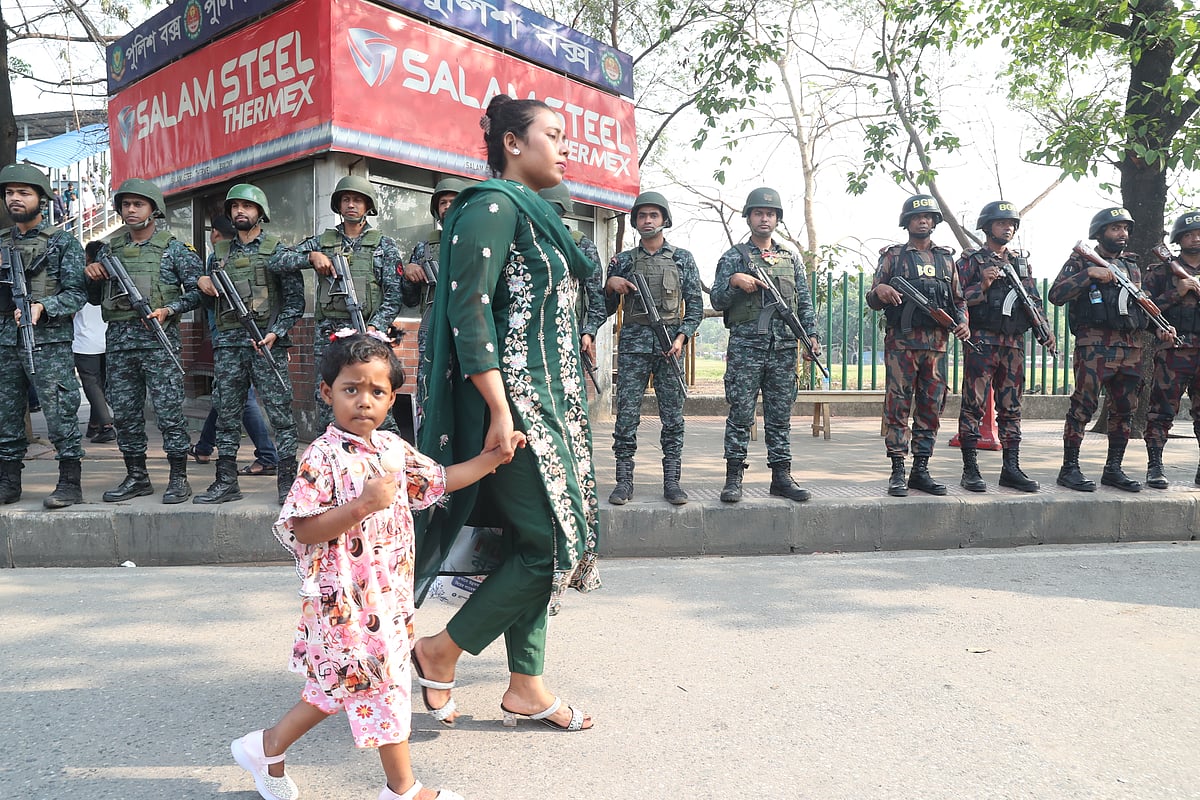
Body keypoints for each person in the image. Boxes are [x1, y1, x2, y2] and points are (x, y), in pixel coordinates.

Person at [236, 332, 513, 800]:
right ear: (327, 393)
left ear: (391, 399)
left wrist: (493, 459)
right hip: (345, 598)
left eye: (377, 391)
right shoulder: (321, 457)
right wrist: (359, 507)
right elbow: (301, 529)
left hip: (388, 595)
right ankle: (403, 789)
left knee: (337, 686)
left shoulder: (392, 449)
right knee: (384, 684)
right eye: (351, 389)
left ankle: (266, 747)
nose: (364, 401)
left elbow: (439, 481)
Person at [412, 94, 600, 733]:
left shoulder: (542, 216)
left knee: (530, 542)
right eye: (554, 133)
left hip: (556, 405)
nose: (565, 146)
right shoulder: (489, 207)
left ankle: (526, 683)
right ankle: (443, 650)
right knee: (550, 546)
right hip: (515, 405)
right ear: (513, 143)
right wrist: (497, 409)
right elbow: (470, 312)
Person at [84, 179, 202, 504]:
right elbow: (96, 300)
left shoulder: (174, 249)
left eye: (138, 204)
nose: (131, 210)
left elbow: (197, 292)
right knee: (124, 414)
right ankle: (137, 477)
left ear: (153, 209)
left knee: (168, 413)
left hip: (159, 345)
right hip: (120, 346)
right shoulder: (110, 251)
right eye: (126, 205)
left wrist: (169, 309)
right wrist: (91, 274)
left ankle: (179, 478)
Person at [194, 183, 304, 505]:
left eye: (248, 206)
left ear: (260, 213)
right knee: (227, 415)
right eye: (235, 206)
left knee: (281, 416)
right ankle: (226, 481)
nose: (240, 211)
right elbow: (207, 296)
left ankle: (288, 483)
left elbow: (295, 303)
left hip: (266, 345)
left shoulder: (277, 251)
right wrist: (201, 282)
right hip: (228, 347)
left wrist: (276, 332)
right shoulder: (219, 255)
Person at [710, 187, 820, 503]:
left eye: (770, 214)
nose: (764, 218)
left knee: (780, 416)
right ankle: (733, 478)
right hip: (746, 348)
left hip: (784, 350)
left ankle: (781, 477)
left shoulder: (790, 258)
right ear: (749, 217)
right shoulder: (734, 258)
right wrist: (735, 283)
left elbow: (803, 301)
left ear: (777, 219)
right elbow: (717, 300)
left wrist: (810, 336)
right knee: (741, 414)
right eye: (758, 213)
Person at [1048, 207, 1164, 493]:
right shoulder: (1080, 261)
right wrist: (1089, 274)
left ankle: (1113, 469)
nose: (1122, 233)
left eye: (1125, 228)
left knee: (1124, 410)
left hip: (1131, 348)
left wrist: (1159, 328)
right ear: (1100, 233)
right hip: (1095, 346)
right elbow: (1056, 295)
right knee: (1083, 407)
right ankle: (1070, 468)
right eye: (1115, 228)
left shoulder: (1132, 266)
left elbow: (1138, 308)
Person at [276, 175, 404, 429]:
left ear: (368, 206)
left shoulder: (383, 246)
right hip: (329, 337)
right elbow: (277, 260)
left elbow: (394, 294)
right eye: (346, 200)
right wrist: (311, 257)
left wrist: (375, 328)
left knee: (377, 411)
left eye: (357, 200)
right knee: (329, 404)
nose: (351, 205)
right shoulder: (322, 242)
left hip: (368, 335)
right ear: (339, 205)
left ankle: (385, 466)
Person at [867, 194, 971, 497]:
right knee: (897, 405)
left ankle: (921, 469)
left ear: (935, 222)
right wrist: (881, 290)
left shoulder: (946, 259)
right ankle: (897, 469)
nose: (923, 220)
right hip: (902, 344)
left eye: (928, 216)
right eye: (917, 217)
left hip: (936, 347)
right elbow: (872, 297)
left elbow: (958, 299)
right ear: (907, 222)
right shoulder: (893, 257)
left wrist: (962, 321)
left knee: (931, 407)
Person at [603, 190, 702, 505]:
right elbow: (603, 306)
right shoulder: (623, 261)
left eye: (654, 215)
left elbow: (696, 308)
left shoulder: (682, 258)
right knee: (627, 416)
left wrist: (682, 336)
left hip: (669, 347)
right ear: (635, 221)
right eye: (642, 215)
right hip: (633, 347)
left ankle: (672, 482)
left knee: (673, 417)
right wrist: (610, 285)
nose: (648, 220)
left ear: (664, 220)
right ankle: (623, 482)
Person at [0, 163, 87, 508]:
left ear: (41, 198)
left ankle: (69, 483)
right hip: (6, 339)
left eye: (23, 193)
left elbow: (77, 294)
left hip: (48, 342)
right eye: (10, 193)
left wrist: (43, 306)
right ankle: (8, 481)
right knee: (6, 412)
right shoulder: (2, 243)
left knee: (60, 411)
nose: (15, 199)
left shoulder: (63, 243)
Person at [954, 201, 1052, 493]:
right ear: (987, 227)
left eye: (1011, 224)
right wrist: (981, 286)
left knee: (1011, 409)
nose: (1007, 228)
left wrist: (1043, 328)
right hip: (982, 341)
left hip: (1013, 345)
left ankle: (1011, 468)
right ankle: (970, 469)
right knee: (973, 406)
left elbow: (1032, 299)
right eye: (1001, 223)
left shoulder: (1020, 263)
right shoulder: (971, 261)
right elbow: (956, 298)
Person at [191, 215, 278, 474]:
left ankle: (267, 455)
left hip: (230, 335)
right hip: (249, 333)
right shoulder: (234, 257)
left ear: (216, 234)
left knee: (242, 396)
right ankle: (205, 447)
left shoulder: (216, 258)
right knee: (225, 395)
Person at [1141, 210, 1200, 488]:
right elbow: (1143, 311)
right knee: (1162, 412)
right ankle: (1155, 466)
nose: (1195, 239)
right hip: (1173, 351)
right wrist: (1179, 290)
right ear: (1179, 238)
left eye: (1199, 233)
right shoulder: (1161, 272)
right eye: (1189, 234)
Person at [402, 177, 471, 404]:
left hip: (470, 327)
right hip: (433, 327)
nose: (448, 207)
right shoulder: (424, 248)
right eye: (443, 203)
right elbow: (410, 300)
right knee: (430, 387)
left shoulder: (479, 241)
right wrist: (409, 274)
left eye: (454, 201)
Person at [538, 183, 606, 379]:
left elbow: (597, 302)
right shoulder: (525, 242)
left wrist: (588, 332)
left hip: (569, 338)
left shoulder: (581, 246)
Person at [76, 243, 114, 444]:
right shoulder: (112, 277)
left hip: (85, 342)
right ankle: (94, 425)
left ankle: (106, 425)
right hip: (108, 340)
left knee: (92, 385)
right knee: (101, 386)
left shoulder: (82, 277)